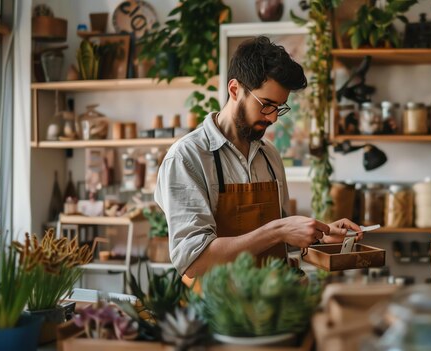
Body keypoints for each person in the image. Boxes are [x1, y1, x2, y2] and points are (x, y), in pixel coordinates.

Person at [154, 36, 363, 282]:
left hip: (274, 306)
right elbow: (195, 262)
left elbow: (282, 242)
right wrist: (278, 231)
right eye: (266, 104)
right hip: (218, 312)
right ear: (234, 90)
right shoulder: (187, 158)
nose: (273, 118)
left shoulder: (270, 155)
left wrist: (320, 236)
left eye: (280, 108)